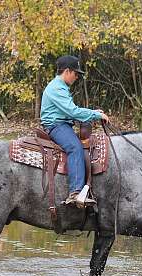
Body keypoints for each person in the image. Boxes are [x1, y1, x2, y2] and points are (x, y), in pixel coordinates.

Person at [40, 55, 110, 205]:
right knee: (75, 147)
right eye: (75, 73)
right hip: (56, 126)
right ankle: (75, 193)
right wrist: (96, 114)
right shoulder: (57, 88)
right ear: (67, 71)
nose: (77, 77)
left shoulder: (60, 87)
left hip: (61, 124)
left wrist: (91, 113)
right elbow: (73, 111)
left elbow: (70, 111)